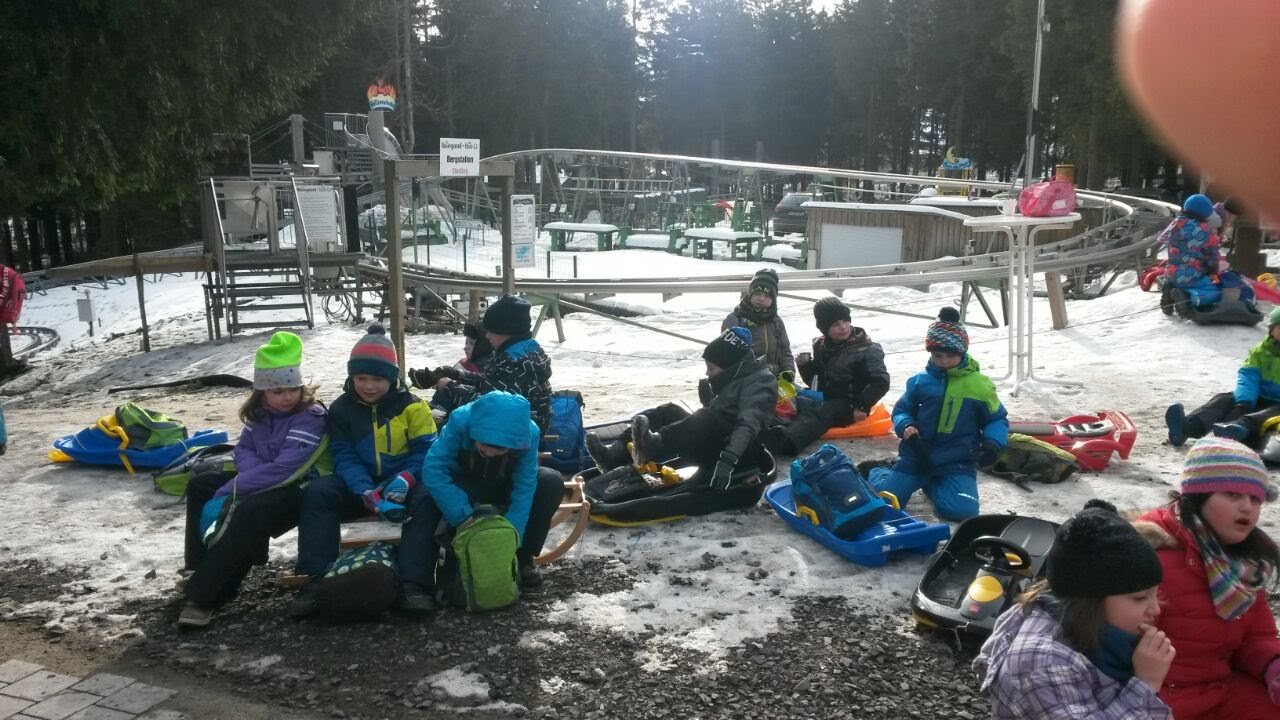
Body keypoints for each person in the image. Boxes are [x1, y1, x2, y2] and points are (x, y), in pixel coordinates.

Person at [178, 332, 331, 628]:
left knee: (249, 510)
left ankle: (204, 596)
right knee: (200, 485)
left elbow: (285, 470)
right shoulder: (260, 414)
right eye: (278, 391)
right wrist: (248, 476)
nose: (287, 396)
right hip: (264, 479)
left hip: (303, 487)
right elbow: (243, 450)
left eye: (293, 388)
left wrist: (234, 486)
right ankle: (199, 568)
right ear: (261, 391)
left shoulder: (310, 417)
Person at [974, 499, 1175, 719]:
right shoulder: (1044, 661)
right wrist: (1146, 684)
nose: (1155, 609)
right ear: (1091, 599)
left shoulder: (1101, 633)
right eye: (1139, 598)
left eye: (1156, 594)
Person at [293, 325, 439, 614]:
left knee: (429, 497)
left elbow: (427, 452)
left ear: (392, 378)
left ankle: (414, 584)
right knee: (319, 492)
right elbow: (344, 455)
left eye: (377, 379)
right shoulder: (342, 409)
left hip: (403, 485)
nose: (369, 386)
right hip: (359, 486)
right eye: (361, 378)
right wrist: (365, 490)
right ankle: (316, 579)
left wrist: (406, 478)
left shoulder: (414, 408)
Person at [1134, 437, 1280, 719]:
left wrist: (1273, 666)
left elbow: (1256, 636)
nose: (1247, 508)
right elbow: (1113, 649)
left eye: (1255, 499)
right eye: (1232, 494)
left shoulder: (1246, 563)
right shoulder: (1151, 556)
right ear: (1199, 497)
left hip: (1222, 690)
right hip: (1161, 699)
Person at [586, 327, 776, 491]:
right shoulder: (734, 376)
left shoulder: (761, 382)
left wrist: (728, 461)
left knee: (706, 417)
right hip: (721, 441)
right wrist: (709, 397)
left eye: (711, 368)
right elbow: (724, 413)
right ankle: (612, 456)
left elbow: (748, 425)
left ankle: (652, 445)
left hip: (738, 454)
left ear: (730, 366)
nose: (707, 372)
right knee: (670, 410)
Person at [417, 391, 564, 600]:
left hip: (503, 483)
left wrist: (513, 533)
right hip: (466, 482)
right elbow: (434, 469)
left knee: (551, 480)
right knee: (433, 493)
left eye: (499, 449)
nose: (490, 452)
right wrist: (461, 515)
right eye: (484, 444)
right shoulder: (460, 420)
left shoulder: (529, 433)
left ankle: (523, 557)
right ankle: (456, 557)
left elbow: (525, 483)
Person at [869, 307, 1008, 521]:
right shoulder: (919, 382)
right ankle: (880, 472)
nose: (943, 361)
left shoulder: (980, 386)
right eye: (937, 355)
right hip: (916, 455)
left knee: (964, 511)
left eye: (950, 355)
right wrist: (906, 425)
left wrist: (993, 443)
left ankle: (933, 483)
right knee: (886, 503)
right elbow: (902, 409)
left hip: (957, 460)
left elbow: (996, 419)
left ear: (962, 351)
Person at [764, 296, 889, 457]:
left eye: (845, 321)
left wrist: (862, 406)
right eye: (836, 324)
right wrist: (805, 366)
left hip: (851, 402)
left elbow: (881, 382)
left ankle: (788, 441)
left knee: (823, 411)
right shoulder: (821, 346)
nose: (843, 327)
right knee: (789, 395)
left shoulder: (867, 349)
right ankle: (764, 428)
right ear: (825, 329)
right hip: (826, 396)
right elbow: (816, 382)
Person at [425, 294, 553, 434]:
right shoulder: (521, 352)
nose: (487, 336)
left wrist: (451, 386)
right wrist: (456, 374)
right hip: (513, 425)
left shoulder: (514, 363)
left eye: (491, 331)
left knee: (441, 431)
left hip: (517, 435)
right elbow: (490, 382)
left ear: (506, 331)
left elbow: (487, 405)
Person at [1165, 306, 1280, 447]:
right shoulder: (1261, 351)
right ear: (1272, 330)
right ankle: (1187, 428)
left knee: (1270, 414)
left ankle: (1238, 429)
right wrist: (1244, 401)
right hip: (1255, 397)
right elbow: (1248, 375)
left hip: (1276, 406)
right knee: (1225, 400)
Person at [1161, 193, 1255, 308]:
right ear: (1207, 214)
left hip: (1170, 273)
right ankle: (1188, 297)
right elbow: (1212, 258)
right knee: (1214, 291)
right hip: (1193, 276)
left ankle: (1170, 288)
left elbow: (1163, 239)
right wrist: (1212, 271)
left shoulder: (1175, 224)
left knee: (1180, 279)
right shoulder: (1207, 231)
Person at [410, 321, 493, 425]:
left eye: (471, 344)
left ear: (483, 345)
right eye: (466, 343)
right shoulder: (465, 364)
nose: (465, 347)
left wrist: (448, 386)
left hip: (466, 421)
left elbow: (482, 403)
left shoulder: (487, 368)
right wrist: (434, 380)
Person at [721, 268, 794, 377]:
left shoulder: (776, 322)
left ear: (773, 300)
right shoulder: (736, 319)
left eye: (767, 296)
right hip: (745, 376)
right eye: (757, 294)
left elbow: (785, 351)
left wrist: (788, 370)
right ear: (750, 294)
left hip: (774, 375)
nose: (761, 299)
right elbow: (727, 352)